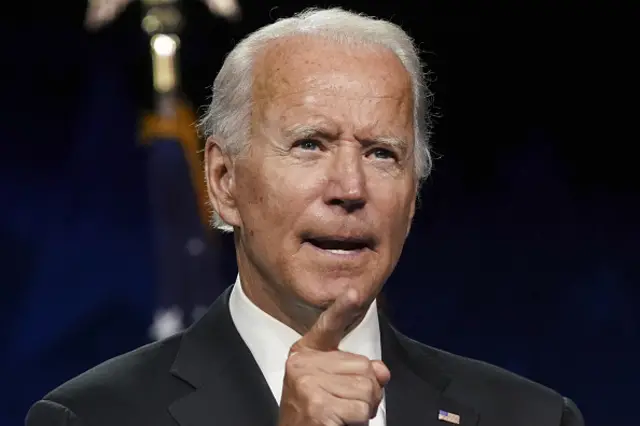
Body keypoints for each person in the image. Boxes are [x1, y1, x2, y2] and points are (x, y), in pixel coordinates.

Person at [26, 8, 583, 426]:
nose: (350, 189)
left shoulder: (533, 416)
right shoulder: (91, 417)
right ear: (224, 183)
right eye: (311, 144)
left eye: (382, 153)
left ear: (413, 199)